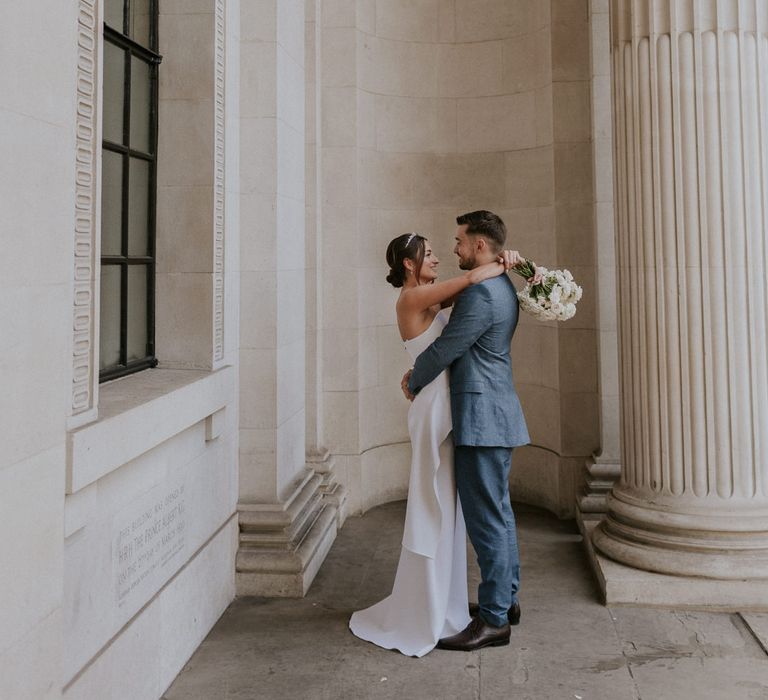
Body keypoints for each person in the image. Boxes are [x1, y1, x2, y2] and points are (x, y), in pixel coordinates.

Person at [349, 226, 534, 656]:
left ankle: (497, 608)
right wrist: (505, 263)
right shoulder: (417, 297)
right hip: (439, 409)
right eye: (429, 253)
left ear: (480, 244)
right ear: (409, 265)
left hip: (460, 408)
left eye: (448, 246)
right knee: (462, 506)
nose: (442, 255)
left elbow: (456, 314)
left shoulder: (447, 295)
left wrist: (512, 261)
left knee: (485, 512)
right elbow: (467, 287)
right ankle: (494, 602)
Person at [403, 210, 531, 652]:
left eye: (459, 241)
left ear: (479, 244)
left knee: (486, 520)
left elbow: (448, 347)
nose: (454, 247)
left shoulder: (482, 295)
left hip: (482, 417)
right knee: (500, 512)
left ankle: (494, 620)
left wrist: (413, 378)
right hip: (496, 412)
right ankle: (506, 601)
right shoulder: (499, 285)